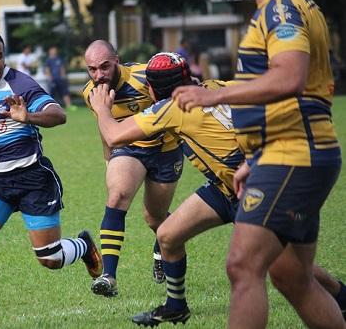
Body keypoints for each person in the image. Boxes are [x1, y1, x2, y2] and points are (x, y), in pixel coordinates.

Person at [89, 52, 346, 327]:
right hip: (225, 188)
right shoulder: (215, 88)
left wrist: (102, 108)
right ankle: (176, 307)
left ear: (152, 89)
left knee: (291, 270)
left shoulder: (170, 108)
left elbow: (114, 135)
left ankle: (342, 297)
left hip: (254, 191)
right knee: (167, 235)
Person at [172, 0, 345, 328]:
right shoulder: (294, 5)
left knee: (242, 264)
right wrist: (256, 156)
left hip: (293, 154)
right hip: (291, 152)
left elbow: (290, 77)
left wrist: (214, 95)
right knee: (291, 275)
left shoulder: (280, 7)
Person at [0, 29, 102, 329]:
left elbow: (58, 114)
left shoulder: (20, 84)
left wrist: (29, 117)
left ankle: (83, 246)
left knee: (49, 258)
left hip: (33, 178)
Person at [83, 40, 183, 297]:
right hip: (129, 148)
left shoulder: (145, 76)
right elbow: (104, 128)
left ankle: (162, 246)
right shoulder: (91, 93)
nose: (98, 75)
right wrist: (109, 162)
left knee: (154, 217)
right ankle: (109, 276)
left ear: (116, 60)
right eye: (92, 69)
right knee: (117, 196)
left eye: (104, 67)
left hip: (165, 149)